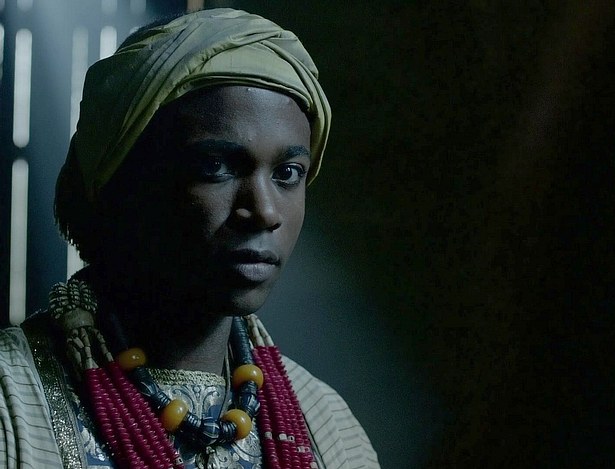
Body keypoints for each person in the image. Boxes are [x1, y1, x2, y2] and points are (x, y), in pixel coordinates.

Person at [0, 9, 379, 469]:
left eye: (287, 173)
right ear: (123, 182)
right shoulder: (12, 406)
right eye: (215, 166)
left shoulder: (330, 429)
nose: (264, 210)